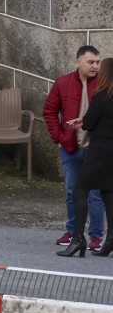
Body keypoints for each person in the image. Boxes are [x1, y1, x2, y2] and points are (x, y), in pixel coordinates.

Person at [44, 46, 105, 250]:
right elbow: (49, 111)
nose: (95, 66)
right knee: (72, 192)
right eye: (91, 62)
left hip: (96, 150)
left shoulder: (105, 84)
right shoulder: (63, 83)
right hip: (70, 147)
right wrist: (59, 138)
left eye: (97, 62)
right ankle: (73, 232)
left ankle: (96, 236)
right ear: (79, 62)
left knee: (96, 194)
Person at [59, 58, 113, 257]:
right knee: (108, 194)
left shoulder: (101, 96)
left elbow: (90, 123)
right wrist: (85, 120)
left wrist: (82, 121)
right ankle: (110, 241)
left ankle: (78, 239)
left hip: (99, 152)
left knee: (80, 191)